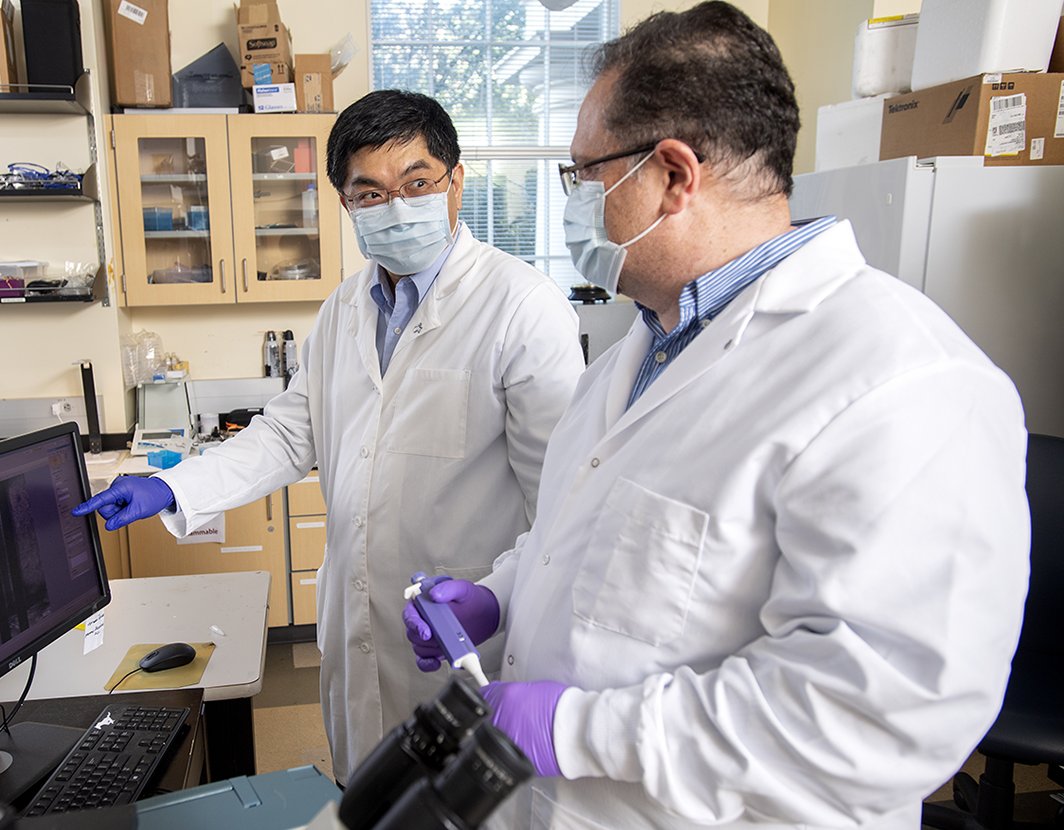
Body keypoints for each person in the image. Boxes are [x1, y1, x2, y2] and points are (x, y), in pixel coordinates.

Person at [403, 4, 1031, 830]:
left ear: (671, 174)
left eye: (581, 176)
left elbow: (876, 718)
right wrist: (499, 596)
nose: (575, 203)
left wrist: (578, 731)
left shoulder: (903, 381)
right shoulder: (638, 352)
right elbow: (597, 552)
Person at [73, 90, 585, 782]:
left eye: (417, 183)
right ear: (343, 201)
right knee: (365, 793)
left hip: (465, 640)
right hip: (359, 633)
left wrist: (495, 594)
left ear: (454, 180)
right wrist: (171, 485)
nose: (396, 206)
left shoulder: (521, 307)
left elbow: (562, 505)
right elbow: (288, 435)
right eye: (368, 192)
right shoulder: (345, 307)